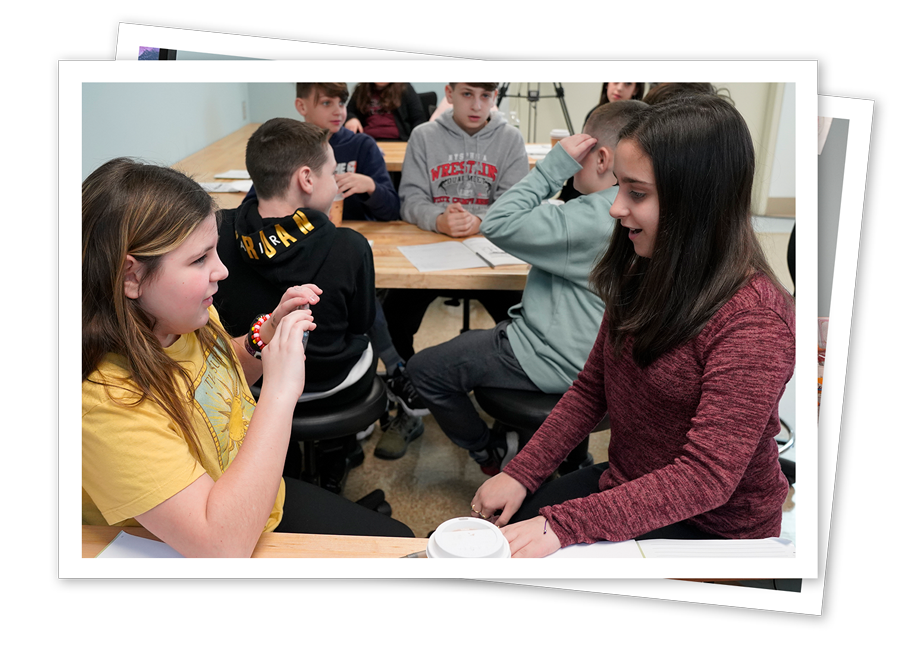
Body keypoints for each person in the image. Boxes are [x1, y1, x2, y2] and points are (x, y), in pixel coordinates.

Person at [470, 94, 795, 558]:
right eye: (619, 187)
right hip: (628, 485)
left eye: (636, 193)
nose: (615, 207)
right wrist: (522, 472)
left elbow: (705, 478)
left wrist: (566, 526)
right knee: (506, 539)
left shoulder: (754, 320)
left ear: (696, 203)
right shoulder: (641, 267)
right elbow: (590, 389)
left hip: (715, 531)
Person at [82, 158, 414, 558]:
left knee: (403, 543)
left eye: (215, 252)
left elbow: (218, 374)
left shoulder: (178, 318)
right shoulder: (105, 402)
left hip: (258, 501)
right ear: (130, 277)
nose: (221, 271)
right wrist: (279, 390)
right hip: (217, 539)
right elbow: (222, 547)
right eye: (199, 259)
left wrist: (264, 335)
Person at [406, 100, 649, 474]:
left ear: (600, 159)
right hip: (600, 355)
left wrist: (555, 166)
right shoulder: (643, 210)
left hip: (552, 357)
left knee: (424, 368)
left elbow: (499, 221)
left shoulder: (592, 217)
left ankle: (488, 452)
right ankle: (568, 456)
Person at [213, 118, 381, 491]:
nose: (336, 182)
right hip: (330, 385)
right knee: (369, 342)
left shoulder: (218, 232)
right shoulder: (350, 246)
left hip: (250, 381)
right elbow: (361, 323)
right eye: (332, 172)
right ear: (306, 179)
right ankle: (335, 453)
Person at [379, 83, 529, 387]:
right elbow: (410, 200)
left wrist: (481, 221)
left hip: (490, 255)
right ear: (449, 94)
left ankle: (509, 388)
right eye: (467, 94)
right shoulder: (424, 135)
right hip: (434, 251)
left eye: (485, 96)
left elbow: (516, 204)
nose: (476, 105)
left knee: (525, 320)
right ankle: (407, 381)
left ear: (494, 98)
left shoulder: (511, 139)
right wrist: (438, 219)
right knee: (392, 318)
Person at [243, 82, 400, 223]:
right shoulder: (285, 146)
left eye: (341, 103)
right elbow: (253, 204)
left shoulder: (363, 146)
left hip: (352, 237)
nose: (338, 111)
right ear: (302, 106)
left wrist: (371, 186)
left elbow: (392, 210)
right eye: (327, 103)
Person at [559, 82, 648, 203]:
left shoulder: (644, 120)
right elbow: (583, 154)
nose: (619, 88)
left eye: (627, 83)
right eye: (615, 81)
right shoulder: (594, 114)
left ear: (636, 89)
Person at [344, 82, 427, 142]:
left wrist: (415, 141)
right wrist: (351, 118)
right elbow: (348, 112)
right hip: (368, 141)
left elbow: (419, 118)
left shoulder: (405, 88)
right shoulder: (361, 90)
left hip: (399, 141)